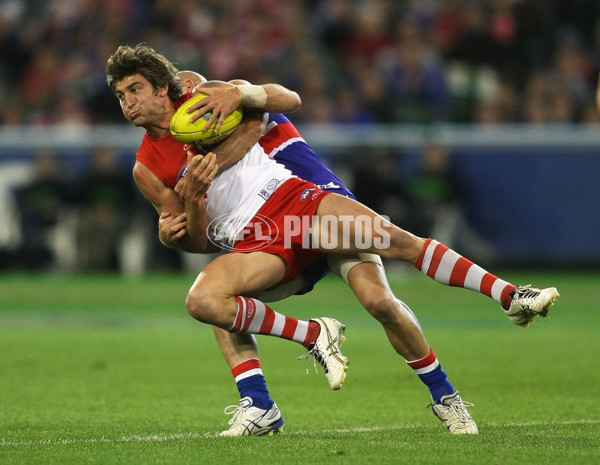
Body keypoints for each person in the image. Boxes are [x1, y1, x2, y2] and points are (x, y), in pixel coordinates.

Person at [106, 44, 560, 436]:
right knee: (214, 301)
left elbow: (283, 101)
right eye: (119, 95)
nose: (125, 102)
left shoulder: (208, 95)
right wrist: (185, 214)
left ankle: (494, 320)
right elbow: (195, 236)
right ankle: (264, 397)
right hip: (260, 233)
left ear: (163, 86)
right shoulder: (148, 165)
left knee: (381, 293)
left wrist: (240, 95)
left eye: (134, 90)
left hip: (304, 197)